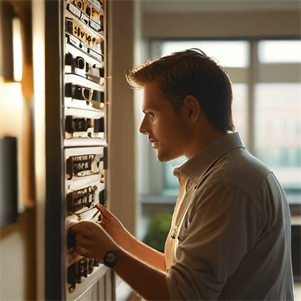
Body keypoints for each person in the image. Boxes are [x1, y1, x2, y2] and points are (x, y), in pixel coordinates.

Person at [71, 49, 294, 300]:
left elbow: (184, 296)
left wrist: (110, 254)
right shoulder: (211, 175)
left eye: (152, 115)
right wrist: (122, 241)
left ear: (190, 110)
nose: (143, 128)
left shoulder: (228, 184)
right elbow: (180, 273)